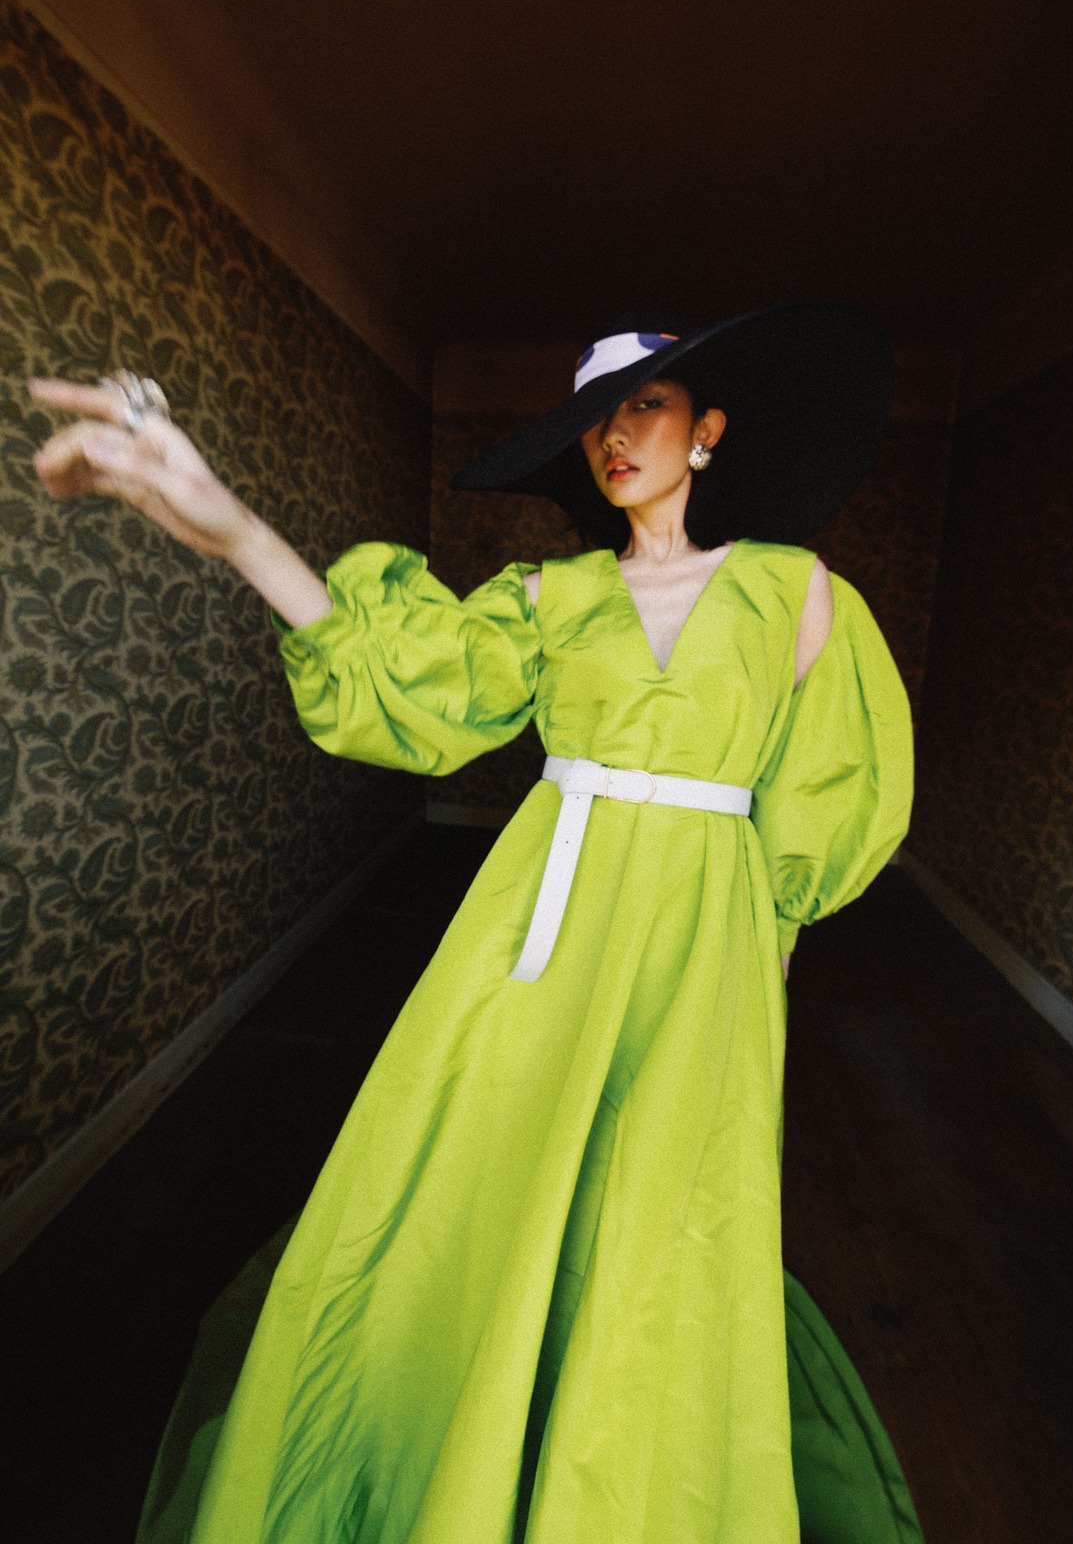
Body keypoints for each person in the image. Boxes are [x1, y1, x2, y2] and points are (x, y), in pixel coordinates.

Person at [30, 303, 921, 1544]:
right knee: (477, 1167)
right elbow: (400, 680)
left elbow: (826, 800)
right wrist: (221, 515)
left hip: (702, 945)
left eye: (645, 406)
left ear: (707, 431)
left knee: (656, 1209)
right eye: (597, 420)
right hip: (538, 928)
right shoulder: (551, 597)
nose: (615, 437)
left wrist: (759, 964)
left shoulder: (799, 594)